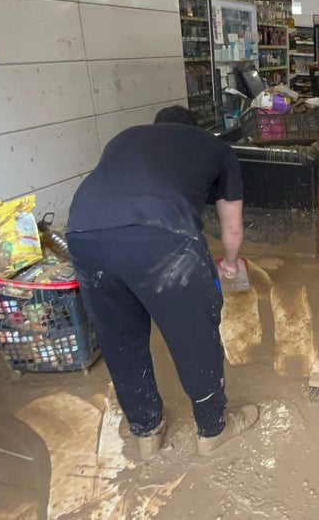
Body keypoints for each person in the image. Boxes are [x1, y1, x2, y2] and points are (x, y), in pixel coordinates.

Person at [66, 105, 258, 460]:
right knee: (193, 332)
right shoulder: (214, 147)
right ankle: (212, 430)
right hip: (162, 237)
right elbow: (231, 226)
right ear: (194, 128)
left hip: (84, 234)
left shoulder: (123, 138)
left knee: (120, 337)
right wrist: (228, 265)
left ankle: (147, 433)